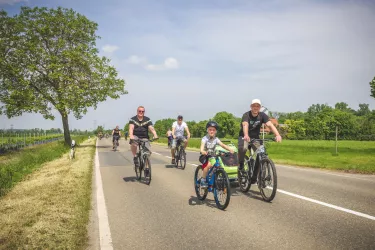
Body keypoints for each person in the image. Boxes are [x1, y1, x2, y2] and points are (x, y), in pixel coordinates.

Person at [238, 99, 282, 183]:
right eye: (254, 106)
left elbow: (270, 125)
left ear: (260, 107)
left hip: (255, 139)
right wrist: (246, 135)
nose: (255, 107)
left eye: (257, 106)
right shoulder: (246, 115)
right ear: (251, 107)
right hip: (244, 136)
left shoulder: (263, 115)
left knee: (261, 153)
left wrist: (277, 135)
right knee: (242, 148)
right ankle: (240, 165)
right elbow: (245, 125)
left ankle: (254, 177)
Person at [199, 121, 234, 188]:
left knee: (218, 165)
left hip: (212, 156)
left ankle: (214, 177)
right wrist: (203, 151)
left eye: (213, 130)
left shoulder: (216, 139)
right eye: (210, 130)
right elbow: (201, 147)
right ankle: (203, 180)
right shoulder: (204, 139)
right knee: (208, 165)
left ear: (216, 131)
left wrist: (229, 149)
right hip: (204, 156)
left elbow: (222, 145)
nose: (211, 131)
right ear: (207, 130)